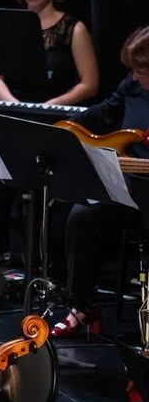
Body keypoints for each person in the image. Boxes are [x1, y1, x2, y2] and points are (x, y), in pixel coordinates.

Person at [55, 25, 149, 338]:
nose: (134, 77)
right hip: (130, 187)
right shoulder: (134, 86)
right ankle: (83, 307)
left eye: (139, 70)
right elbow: (104, 112)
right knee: (83, 215)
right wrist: (51, 119)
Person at [0, 0, 98, 106]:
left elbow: (90, 84)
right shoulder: (9, 26)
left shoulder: (74, 29)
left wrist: (51, 105)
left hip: (57, 116)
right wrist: (16, 105)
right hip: (15, 113)